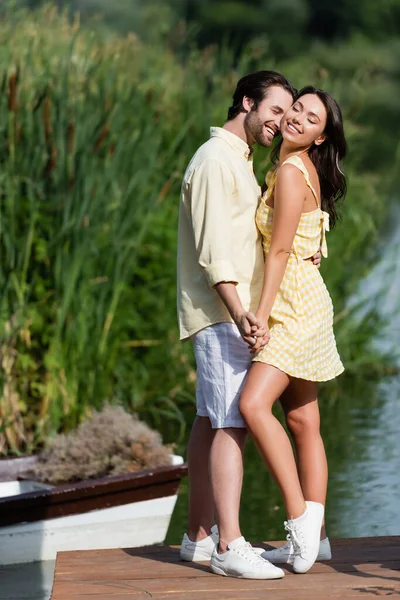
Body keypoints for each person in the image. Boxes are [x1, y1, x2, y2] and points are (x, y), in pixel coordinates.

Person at [177, 71, 321, 580]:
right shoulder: (217, 161)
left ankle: (198, 538)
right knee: (232, 423)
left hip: (237, 315)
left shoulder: (242, 160)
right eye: (276, 111)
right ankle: (229, 545)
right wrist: (242, 315)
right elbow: (216, 254)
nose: (282, 123)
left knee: (209, 419)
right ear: (247, 103)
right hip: (225, 315)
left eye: (290, 114)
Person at [239, 86, 347, 575]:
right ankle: (317, 539)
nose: (298, 118)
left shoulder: (288, 170)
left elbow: (279, 250)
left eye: (311, 117)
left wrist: (258, 316)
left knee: (252, 405)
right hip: (306, 298)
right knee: (303, 423)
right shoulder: (300, 169)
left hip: (293, 307)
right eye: (296, 109)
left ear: (322, 135)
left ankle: (301, 523)